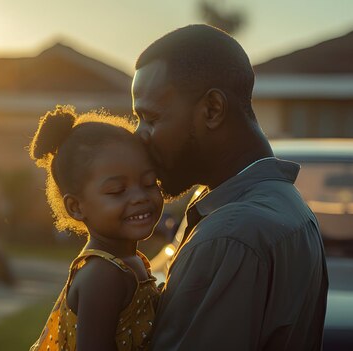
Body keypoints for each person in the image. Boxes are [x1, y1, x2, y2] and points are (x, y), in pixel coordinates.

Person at [132, 24, 329, 350]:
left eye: (150, 118)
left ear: (212, 109)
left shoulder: (231, 235)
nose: (139, 135)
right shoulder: (283, 203)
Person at [28, 106, 164, 351]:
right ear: (76, 207)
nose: (139, 197)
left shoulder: (125, 260)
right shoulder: (103, 275)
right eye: (117, 191)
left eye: (149, 183)